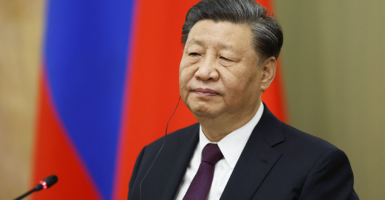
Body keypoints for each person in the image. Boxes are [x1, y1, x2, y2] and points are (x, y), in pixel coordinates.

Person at [128, 0, 359, 199]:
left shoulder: (316, 166)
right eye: (195, 54)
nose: (204, 71)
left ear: (265, 73)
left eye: (225, 57)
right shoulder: (154, 156)